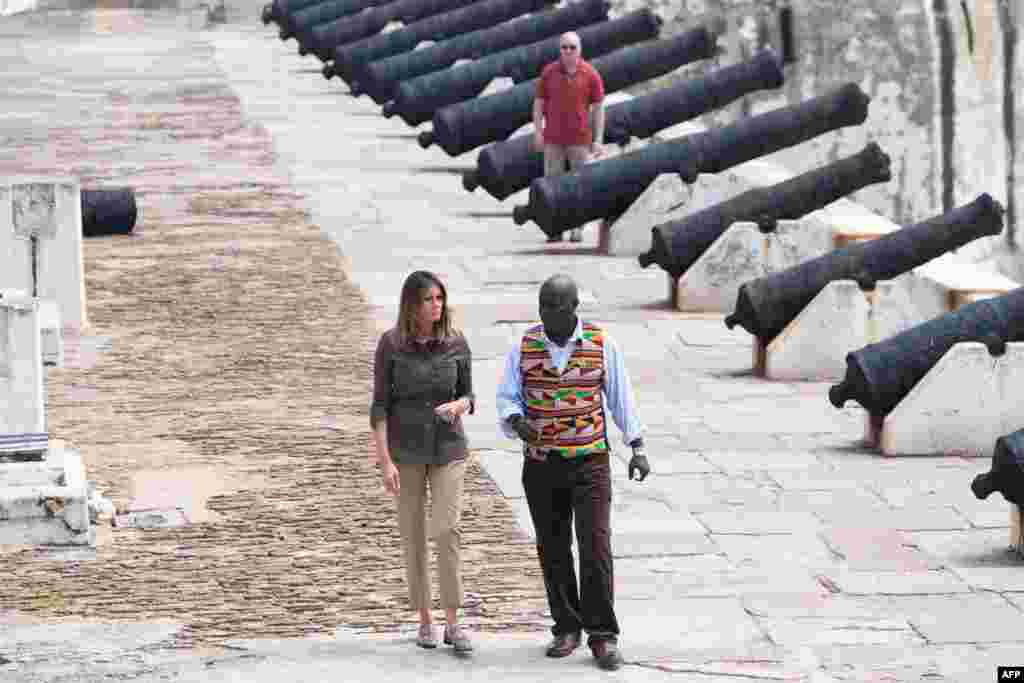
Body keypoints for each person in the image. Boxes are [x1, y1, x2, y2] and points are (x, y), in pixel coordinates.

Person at [495, 274, 650, 671]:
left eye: (554, 306)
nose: (545, 313)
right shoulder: (524, 346)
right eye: (542, 305)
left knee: (595, 545)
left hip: (590, 462)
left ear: (573, 308)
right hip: (542, 465)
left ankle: (602, 634)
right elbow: (507, 397)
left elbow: (621, 398)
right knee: (553, 545)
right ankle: (566, 626)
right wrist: (517, 421)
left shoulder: (601, 344)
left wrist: (637, 447)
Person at [370, 270, 475, 654]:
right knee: (413, 534)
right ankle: (425, 620)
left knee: (447, 529)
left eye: (439, 298)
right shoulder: (391, 345)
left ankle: (453, 621)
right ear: (411, 304)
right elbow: (379, 406)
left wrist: (459, 405)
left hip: (449, 448)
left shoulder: (456, 342)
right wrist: (385, 461)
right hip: (406, 451)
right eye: (429, 299)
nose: (437, 305)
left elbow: (469, 395)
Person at [532, 31, 606, 244]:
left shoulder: (591, 74)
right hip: (553, 140)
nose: (568, 51)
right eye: (564, 47)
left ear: (579, 50)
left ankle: (577, 229)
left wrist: (599, 138)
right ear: (560, 50)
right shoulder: (549, 72)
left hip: (580, 140)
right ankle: (554, 229)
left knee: (579, 188)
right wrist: (538, 131)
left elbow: (599, 108)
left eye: (572, 47)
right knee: (551, 188)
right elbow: (538, 104)